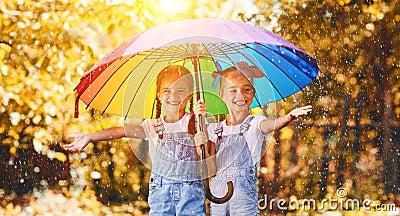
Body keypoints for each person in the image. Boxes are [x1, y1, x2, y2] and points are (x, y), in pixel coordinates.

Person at [64, 65, 207, 216]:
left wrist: (200, 132)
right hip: (161, 193)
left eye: (181, 91)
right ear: (158, 94)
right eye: (167, 90)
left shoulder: (195, 122)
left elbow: (204, 156)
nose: (174, 96)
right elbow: (121, 131)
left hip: (190, 191)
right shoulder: (152, 125)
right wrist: (90, 136)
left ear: (190, 95)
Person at [194, 62, 312, 215]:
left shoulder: (255, 123)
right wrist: (200, 123)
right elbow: (208, 163)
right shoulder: (214, 129)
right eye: (233, 90)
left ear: (253, 93)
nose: (240, 95)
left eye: (246, 89)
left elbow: (271, 125)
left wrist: (289, 117)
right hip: (218, 195)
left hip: (243, 198)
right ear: (221, 95)